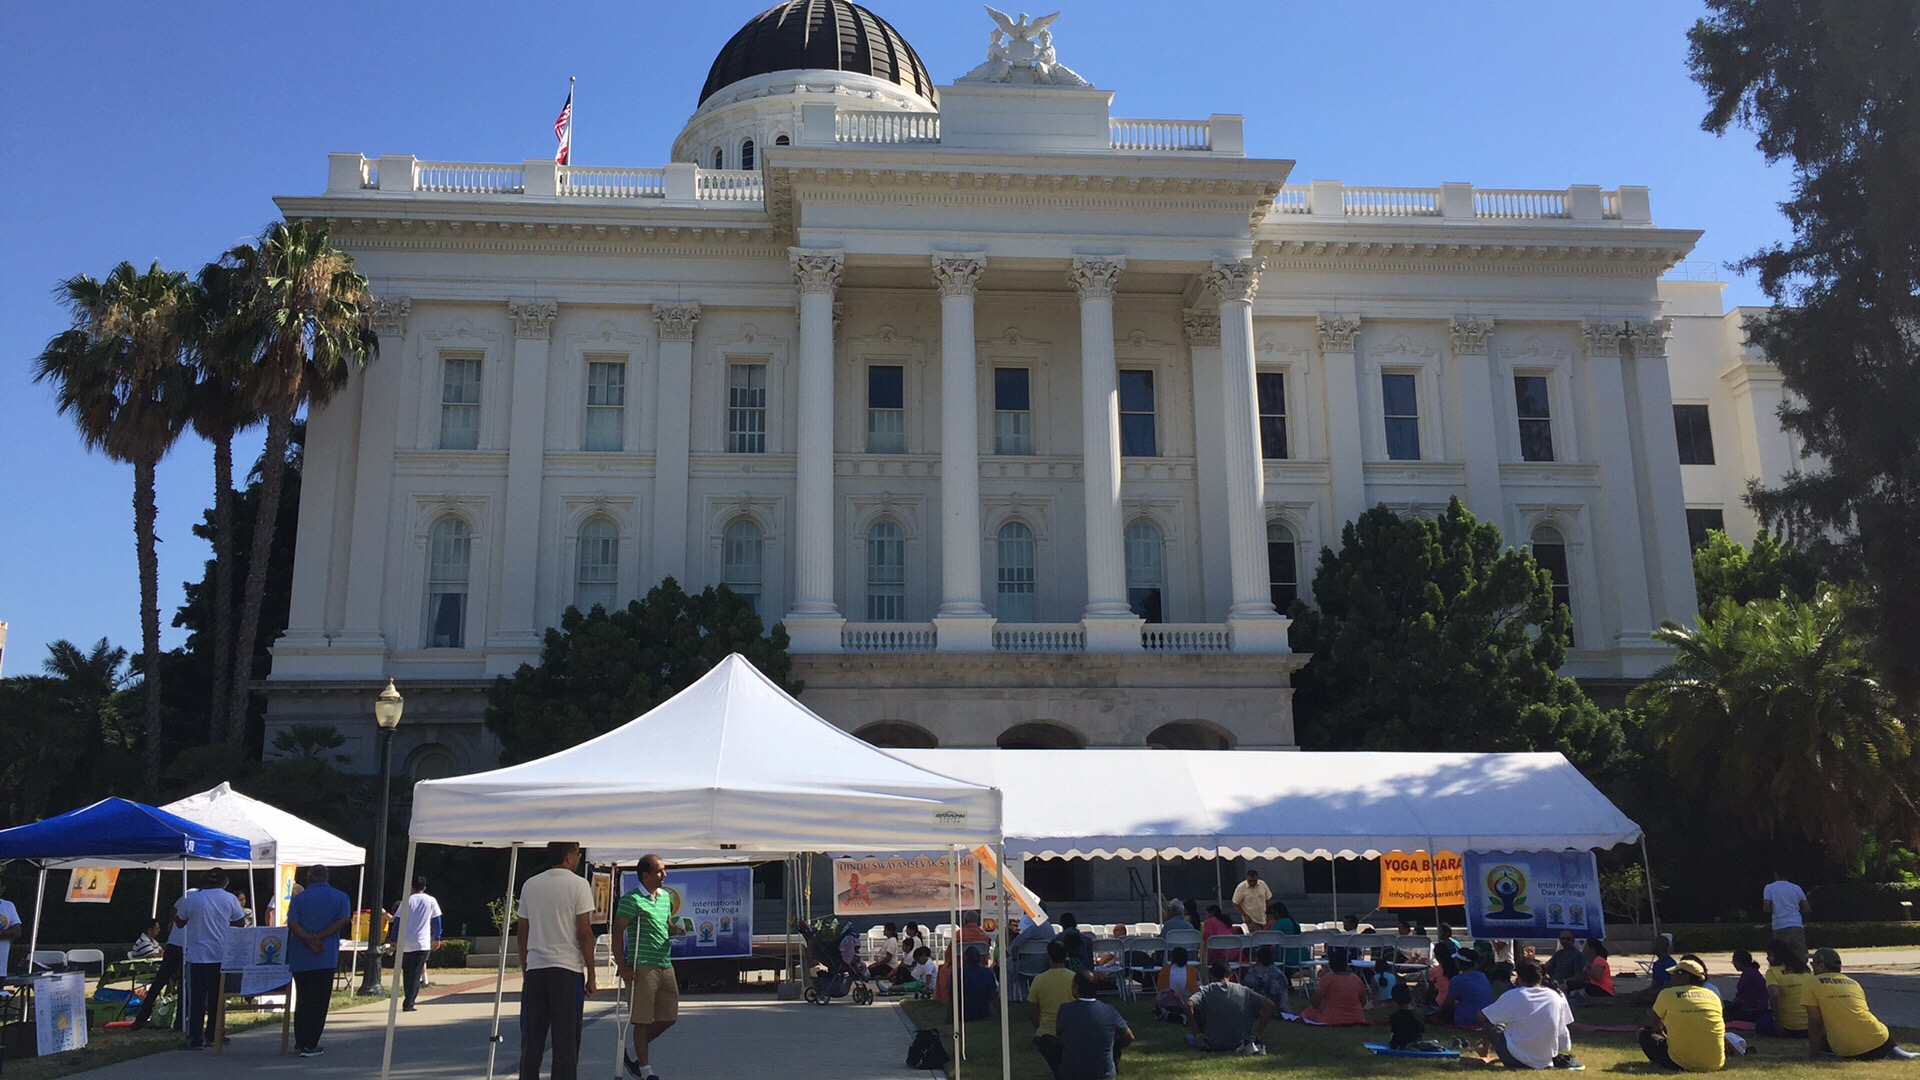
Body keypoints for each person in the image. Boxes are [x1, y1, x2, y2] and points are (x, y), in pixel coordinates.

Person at [516, 841, 599, 1080]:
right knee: (566, 1041)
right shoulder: (579, 885)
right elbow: (584, 932)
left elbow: (523, 933)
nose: (579, 857)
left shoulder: (530, 884)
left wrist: (526, 969)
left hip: (536, 969)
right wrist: (591, 974)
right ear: (567, 857)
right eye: (577, 852)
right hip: (566, 968)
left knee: (532, 1039)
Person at [611, 854, 676, 1080]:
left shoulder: (666, 897)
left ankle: (631, 1053)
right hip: (643, 965)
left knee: (669, 1016)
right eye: (659, 871)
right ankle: (645, 1070)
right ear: (645, 875)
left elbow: (666, 924)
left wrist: (677, 929)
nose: (664, 875)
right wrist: (622, 965)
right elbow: (617, 932)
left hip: (664, 962)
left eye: (664, 870)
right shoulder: (632, 900)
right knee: (642, 1019)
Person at [173, 869, 247, 1050]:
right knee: (217, 997)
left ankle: (195, 1038)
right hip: (221, 954)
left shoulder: (192, 899)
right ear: (224, 882)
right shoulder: (230, 898)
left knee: (196, 998)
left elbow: (179, 921)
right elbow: (240, 922)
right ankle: (214, 1035)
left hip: (197, 955)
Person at [285, 865, 353, 1058]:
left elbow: (292, 923)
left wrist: (307, 937)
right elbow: (343, 919)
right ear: (327, 877)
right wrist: (320, 937)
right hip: (325, 955)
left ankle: (300, 1039)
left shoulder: (298, 899)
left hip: (301, 956)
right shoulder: (341, 897)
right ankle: (311, 1043)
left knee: (303, 999)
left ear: (309, 877)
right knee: (319, 1001)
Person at [1805, 947, 1917, 1060]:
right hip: (1879, 1040)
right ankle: (1897, 1052)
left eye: (1812, 963)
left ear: (1821, 966)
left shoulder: (1812, 983)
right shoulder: (1853, 983)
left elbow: (1815, 1021)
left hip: (1846, 1048)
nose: (1812, 967)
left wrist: (1813, 1053)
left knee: (1825, 1045)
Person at [1479, 958, 1577, 1070]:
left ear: (1519, 977)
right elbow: (1566, 1024)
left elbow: (1483, 1016)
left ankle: (1484, 1053)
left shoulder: (1514, 995)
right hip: (1547, 1058)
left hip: (1517, 1058)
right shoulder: (1556, 995)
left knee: (1493, 1024)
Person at [1644, 957, 1725, 1072]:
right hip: (1715, 1063)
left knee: (1645, 1033)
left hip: (1679, 1062)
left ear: (1685, 977)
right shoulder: (1713, 996)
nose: (1671, 977)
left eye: (1675, 973)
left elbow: (1655, 1022)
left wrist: (1661, 1033)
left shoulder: (1667, 994)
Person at [1056, 970, 1134, 1079]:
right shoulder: (1109, 1011)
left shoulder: (1064, 1010)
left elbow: (1060, 1036)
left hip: (1072, 1074)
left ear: (1076, 987)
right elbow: (1129, 1036)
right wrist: (1115, 1047)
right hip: (1103, 1075)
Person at [1186, 959, 1277, 1053]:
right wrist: (1257, 1034)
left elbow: (1189, 1005)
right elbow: (1270, 1005)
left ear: (1210, 975)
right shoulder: (1244, 991)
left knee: (1198, 1008)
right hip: (1241, 1042)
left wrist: (1196, 1033)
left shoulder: (1206, 990)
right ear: (1231, 974)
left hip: (1213, 1043)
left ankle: (1203, 1036)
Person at [131, 894, 184, 1030]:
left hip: (174, 945)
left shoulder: (188, 897)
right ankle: (178, 1021)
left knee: (160, 983)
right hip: (180, 946)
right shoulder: (192, 896)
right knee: (177, 984)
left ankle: (143, 1018)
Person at [393, 875, 443, 1012]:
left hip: (405, 943)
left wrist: (394, 939)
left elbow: (397, 921)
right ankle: (409, 1002)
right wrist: (437, 937)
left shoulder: (406, 901)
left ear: (411, 887)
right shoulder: (431, 900)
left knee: (407, 972)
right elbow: (437, 920)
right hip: (422, 942)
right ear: (424, 887)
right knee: (416, 973)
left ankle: (408, 998)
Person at [1028, 940, 1076, 1077]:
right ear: (1066, 955)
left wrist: (1039, 1026)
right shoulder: (1074, 978)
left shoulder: (1039, 980)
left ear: (1048, 956)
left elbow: (1032, 1014)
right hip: (1070, 1032)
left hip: (1046, 1033)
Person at [1302, 949, 1371, 1026]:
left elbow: (1314, 1002)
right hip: (1357, 1018)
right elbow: (1363, 1002)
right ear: (1346, 964)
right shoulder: (1356, 979)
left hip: (1332, 1018)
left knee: (1308, 1012)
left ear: (1330, 965)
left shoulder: (1327, 979)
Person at [1761, 938, 1813, 1037]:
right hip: (1811, 1025)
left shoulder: (1773, 972)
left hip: (1789, 1027)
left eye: (1769, 955)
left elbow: (1774, 996)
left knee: (1761, 1023)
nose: (1767, 958)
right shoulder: (1805, 969)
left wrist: (1777, 1022)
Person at [1763, 870, 1811, 958]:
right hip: (1796, 924)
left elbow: (1766, 907)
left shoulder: (1769, 888)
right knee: (1799, 956)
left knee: (1780, 956)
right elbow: (1807, 908)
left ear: (1775, 874)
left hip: (1779, 925)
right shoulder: (1796, 888)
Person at [1444, 953, 1496, 1029]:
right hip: (1486, 1017)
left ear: (1458, 963)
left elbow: (1447, 1003)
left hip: (1467, 1019)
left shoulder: (1457, 979)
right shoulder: (1482, 975)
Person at [1153, 946, 1200, 1022]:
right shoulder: (1192, 970)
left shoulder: (1165, 970)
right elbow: (1193, 990)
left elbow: (1160, 991)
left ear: (1172, 958)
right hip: (1186, 1003)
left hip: (1168, 1003)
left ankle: (1166, 1013)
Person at [1241, 945, 1290, 1013]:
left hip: (1263, 1007)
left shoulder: (1255, 971)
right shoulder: (1279, 971)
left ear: (1258, 958)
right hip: (1282, 1009)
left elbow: (1245, 985)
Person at [960, 947, 999, 1022]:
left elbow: (952, 998)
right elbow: (993, 996)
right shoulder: (988, 973)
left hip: (963, 1013)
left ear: (964, 959)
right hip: (983, 1012)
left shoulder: (958, 973)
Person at [1728, 949, 1768, 1023]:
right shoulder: (1752, 971)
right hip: (1759, 1006)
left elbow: (1742, 996)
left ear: (1740, 962)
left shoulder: (1748, 974)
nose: (1734, 964)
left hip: (1754, 1008)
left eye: (1734, 962)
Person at [1389, 982, 1427, 1050]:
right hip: (1416, 1044)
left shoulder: (1395, 1016)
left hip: (1399, 1044)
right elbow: (1421, 1032)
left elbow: (1393, 1036)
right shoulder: (1419, 1015)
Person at [0, 877, 17, 975]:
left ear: (2, 888)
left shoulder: (8, 906)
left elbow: (17, 931)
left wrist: (2, 933)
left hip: (1, 969)